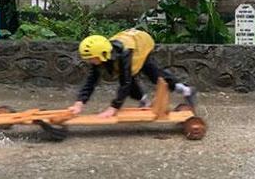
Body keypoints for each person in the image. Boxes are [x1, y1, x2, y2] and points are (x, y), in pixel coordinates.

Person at [68, 29, 196, 118]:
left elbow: (126, 82)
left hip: (142, 43)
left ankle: (185, 90)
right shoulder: (101, 54)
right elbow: (91, 80)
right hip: (130, 40)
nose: (89, 61)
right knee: (128, 76)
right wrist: (79, 103)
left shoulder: (123, 54)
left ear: (102, 54)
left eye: (91, 58)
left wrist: (113, 108)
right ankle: (144, 101)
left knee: (151, 74)